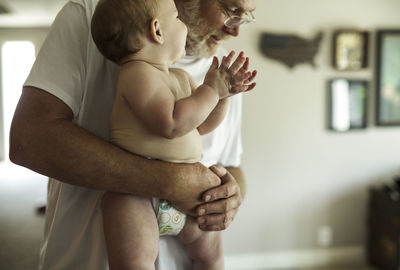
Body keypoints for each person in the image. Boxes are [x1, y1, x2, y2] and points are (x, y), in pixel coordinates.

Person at [9, 0, 257, 269]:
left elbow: (218, 146)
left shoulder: (218, 70)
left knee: (213, 256)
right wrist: (171, 181)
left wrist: (229, 199)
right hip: (109, 233)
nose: (235, 32)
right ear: (157, 30)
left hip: (185, 233)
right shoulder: (101, 22)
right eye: (231, 10)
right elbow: (28, 140)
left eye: (248, 16)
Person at [90, 0, 256, 269]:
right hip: (137, 197)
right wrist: (211, 90)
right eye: (178, 18)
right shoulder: (137, 74)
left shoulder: (179, 77)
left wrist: (223, 96)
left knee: (212, 257)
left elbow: (199, 125)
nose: (184, 26)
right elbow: (171, 123)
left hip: (188, 202)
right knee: (135, 261)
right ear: (157, 30)